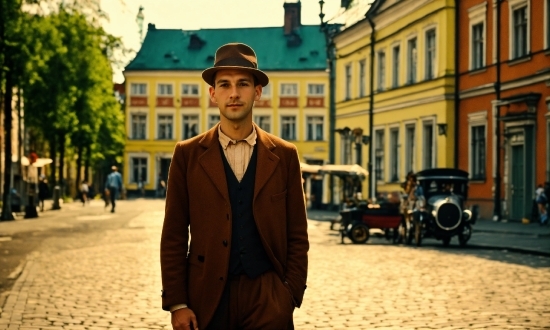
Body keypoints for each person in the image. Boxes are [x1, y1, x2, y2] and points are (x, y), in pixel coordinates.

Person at [160, 43, 309, 330]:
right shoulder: (187, 155)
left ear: (257, 92)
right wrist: (178, 303)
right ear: (213, 93)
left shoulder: (285, 155)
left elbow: (297, 234)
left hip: (267, 296)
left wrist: (288, 294)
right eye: (224, 85)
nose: (234, 93)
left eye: (243, 84)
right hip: (206, 296)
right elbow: (174, 235)